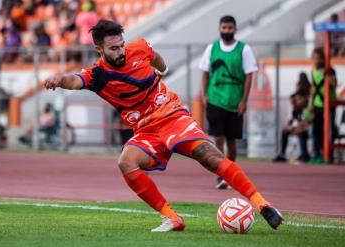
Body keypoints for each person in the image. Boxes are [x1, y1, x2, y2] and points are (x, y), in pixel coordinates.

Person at [44, 19, 283, 232]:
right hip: (146, 131)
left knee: (208, 155)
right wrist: (59, 79)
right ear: (99, 50)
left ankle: (263, 205)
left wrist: (164, 69)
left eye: (121, 45)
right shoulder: (97, 74)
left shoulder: (139, 47)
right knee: (126, 162)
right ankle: (172, 218)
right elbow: (75, 80)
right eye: (113, 48)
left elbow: (155, 56)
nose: (121, 52)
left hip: (172, 115)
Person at [199, 15, 257, 189]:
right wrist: (204, 94)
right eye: (224, 28)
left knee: (231, 142)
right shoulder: (212, 48)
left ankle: (230, 173)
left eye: (230, 28)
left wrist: (244, 101)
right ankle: (221, 175)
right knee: (218, 140)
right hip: (215, 100)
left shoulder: (244, 50)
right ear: (219, 28)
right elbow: (205, 72)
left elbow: (249, 75)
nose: (227, 31)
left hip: (234, 102)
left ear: (235, 29)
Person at [309, 48, 337, 164]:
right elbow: (313, 89)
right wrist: (310, 104)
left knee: (329, 129)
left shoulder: (329, 70)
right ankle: (317, 153)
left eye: (319, 58)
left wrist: (329, 79)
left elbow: (334, 84)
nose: (317, 60)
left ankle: (328, 153)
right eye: (315, 58)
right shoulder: (313, 71)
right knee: (316, 130)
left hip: (329, 103)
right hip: (317, 104)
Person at [272, 92, 310, 163]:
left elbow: (307, 124)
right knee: (285, 131)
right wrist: (288, 127)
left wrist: (297, 128)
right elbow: (290, 122)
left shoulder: (307, 109)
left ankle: (305, 154)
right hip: (300, 129)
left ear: (304, 99)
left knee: (302, 132)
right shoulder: (295, 110)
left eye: (298, 99)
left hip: (308, 130)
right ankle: (282, 154)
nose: (295, 102)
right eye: (294, 100)